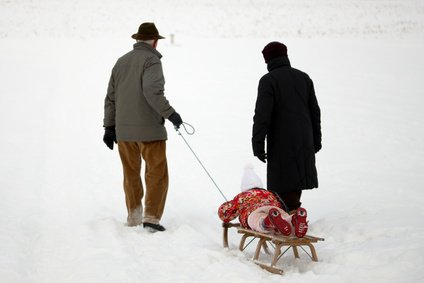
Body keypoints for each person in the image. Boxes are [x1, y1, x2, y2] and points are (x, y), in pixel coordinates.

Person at [103, 22, 183, 232]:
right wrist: (171, 114)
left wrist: (109, 127)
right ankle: (151, 217)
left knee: (130, 174)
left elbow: (110, 98)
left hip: (124, 132)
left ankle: (134, 215)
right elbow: (152, 92)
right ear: (155, 41)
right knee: (157, 173)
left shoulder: (120, 62)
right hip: (150, 131)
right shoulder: (152, 60)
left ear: (137, 40)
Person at [252, 41, 322, 212]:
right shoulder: (303, 77)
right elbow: (315, 112)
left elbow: (262, 116)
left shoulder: (268, 81)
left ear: (267, 60)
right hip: (304, 140)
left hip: (282, 143)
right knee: (295, 182)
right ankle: (294, 217)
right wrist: (316, 140)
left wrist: (258, 144)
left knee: (283, 185)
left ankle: (290, 221)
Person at [218, 166, 308, 238]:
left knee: (256, 220)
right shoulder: (269, 193)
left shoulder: (242, 197)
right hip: (274, 209)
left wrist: (225, 208)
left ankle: (266, 223)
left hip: (254, 211)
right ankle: (293, 219)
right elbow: (281, 203)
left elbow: (225, 214)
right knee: (284, 218)